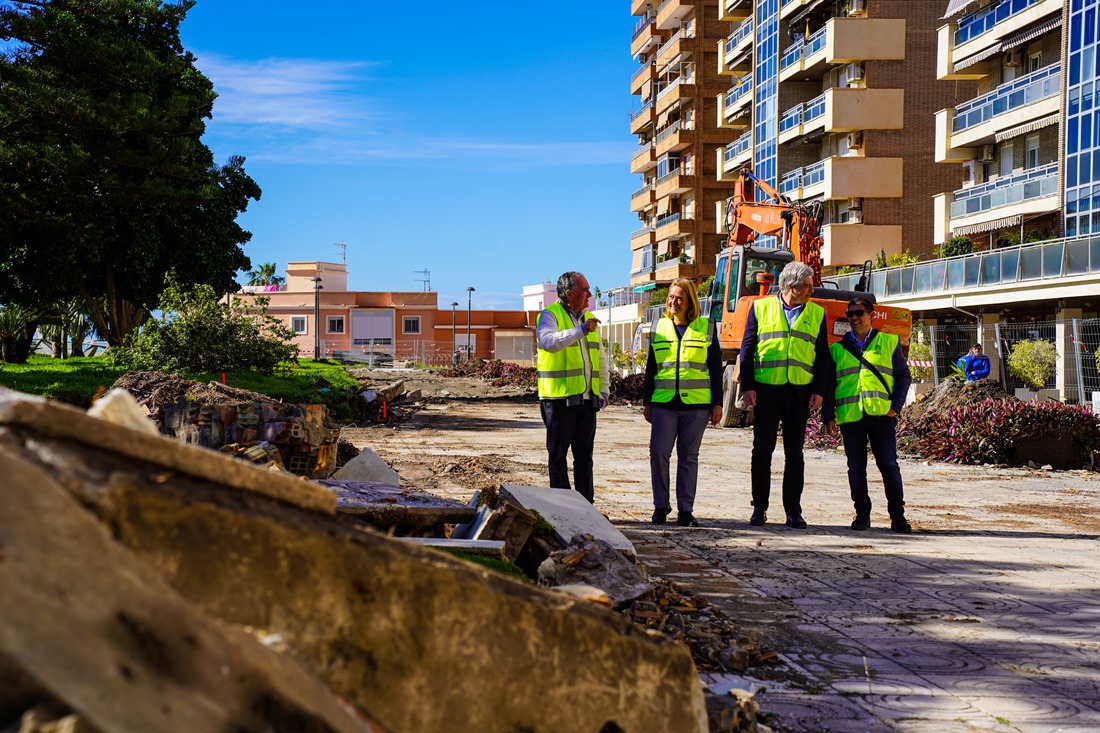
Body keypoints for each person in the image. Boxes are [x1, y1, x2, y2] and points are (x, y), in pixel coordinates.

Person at [739, 261, 830, 529]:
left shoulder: (816, 313)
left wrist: (819, 391)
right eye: (808, 287)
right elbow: (747, 350)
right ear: (791, 287)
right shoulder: (760, 307)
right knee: (762, 451)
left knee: (795, 454)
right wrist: (748, 386)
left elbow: (822, 356)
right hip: (766, 390)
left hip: (799, 392)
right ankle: (759, 508)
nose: (812, 290)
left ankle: (793, 511)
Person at [823, 297, 913, 533]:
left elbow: (904, 376)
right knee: (855, 468)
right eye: (850, 314)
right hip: (851, 416)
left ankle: (898, 517)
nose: (854, 317)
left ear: (871, 315)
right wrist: (828, 416)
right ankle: (862, 515)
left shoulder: (887, 342)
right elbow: (828, 385)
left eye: (859, 313)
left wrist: (896, 407)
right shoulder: (837, 349)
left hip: (881, 415)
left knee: (889, 466)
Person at [643, 278, 724, 527]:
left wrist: (717, 404)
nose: (673, 302)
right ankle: (660, 506)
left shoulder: (707, 327)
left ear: (689, 301)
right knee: (658, 453)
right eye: (670, 297)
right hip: (664, 404)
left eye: (679, 298)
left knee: (688, 457)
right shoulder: (659, 327)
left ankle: (685, 510)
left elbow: (714, 369)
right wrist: (647, 401)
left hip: (696, 406)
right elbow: (651, 367)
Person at [535, 271, 609, 503]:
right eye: (584, 290)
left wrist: (604, 390)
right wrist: (580, 331)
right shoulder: (550, 315)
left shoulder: (589, 319)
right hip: (558, 401)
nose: (589, 294)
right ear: (568, 294)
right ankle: (564, 508)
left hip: (587, 400)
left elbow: (601, 358)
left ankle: (586, 507)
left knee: (584, 458)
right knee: (558, 457)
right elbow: (548, 341)